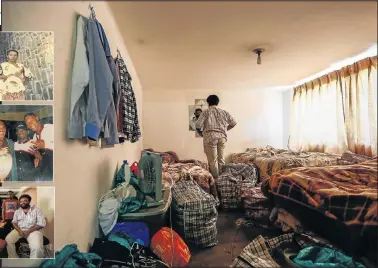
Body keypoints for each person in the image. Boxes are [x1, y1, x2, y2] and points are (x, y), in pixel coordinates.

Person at [195, 95, 237, 179]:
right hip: (222, 138)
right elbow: (234, 122)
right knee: (221, 159)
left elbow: (197, 125)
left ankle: (216, 181)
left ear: (208, 103)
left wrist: (201, 133)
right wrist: (225, 129)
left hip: (210, 138)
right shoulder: (224, 112)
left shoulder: (205, 112)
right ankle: (223, 180)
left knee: (212, 161)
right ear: (217, 102)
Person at [5, 194, 46, 259]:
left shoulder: (36, 210)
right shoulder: (17, 211)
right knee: (8, 239)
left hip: (33, 230)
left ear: (29, 201)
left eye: (25, 201)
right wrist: (19, 231)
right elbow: (14, 222)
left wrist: (28, 231)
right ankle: (13, 258)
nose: (22, 202)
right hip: (19, 229)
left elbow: (41, 224)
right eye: (21, 201)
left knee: (37, 246)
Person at [24, 113, 53, 181]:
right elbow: (45, 155)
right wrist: (38, 158)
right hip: (47, 168)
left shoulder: (51, 128)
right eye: (27, 123)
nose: (30, 124)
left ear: (37, 118)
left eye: (31, 121)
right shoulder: (34, 137)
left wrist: (46, 144)